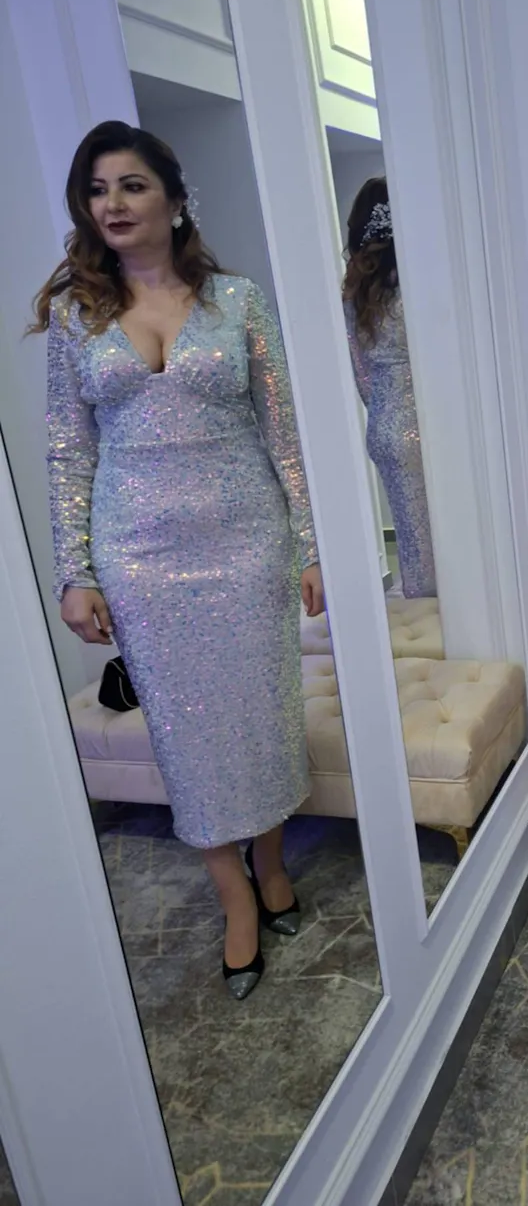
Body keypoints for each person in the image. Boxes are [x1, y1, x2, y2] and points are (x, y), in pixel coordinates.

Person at [33, 121, 324, 1001]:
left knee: (262, 717)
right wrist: (77, 571)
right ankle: (234, 895)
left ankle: (271, 861)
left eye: (131, 185)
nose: (113, 204)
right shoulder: (77, 318)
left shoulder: (238, 301)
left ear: (173, 196)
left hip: (246, 546)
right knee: (185, 736)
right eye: (97, 190)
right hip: (141, 559)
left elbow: (285, 434)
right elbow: (66, 453)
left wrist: (310, 545)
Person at [342, 177, 437, 600]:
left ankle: (425, 610)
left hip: (384, 423)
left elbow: (361, 374)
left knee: (414, 541)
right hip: (428, 418)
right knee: (454, 532)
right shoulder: (419, 285)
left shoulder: (356, 294)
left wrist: (385, 409)